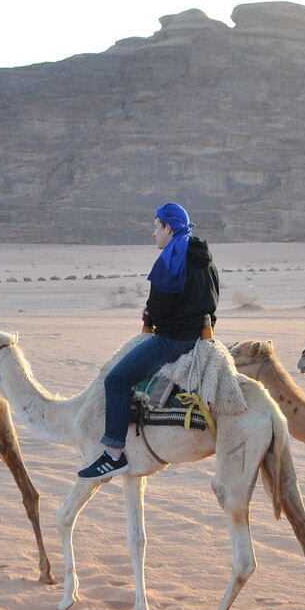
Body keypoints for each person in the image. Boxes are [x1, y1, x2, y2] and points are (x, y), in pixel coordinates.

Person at [78, 203, 220, 480]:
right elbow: (211, 301)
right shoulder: (204, 257)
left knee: (116, 380)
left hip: (172, 341)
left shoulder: (171, 260)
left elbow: (158, 309)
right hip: (199, 340)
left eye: (157, 226)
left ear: (169, 227)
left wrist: (151, 313)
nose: (153, 232)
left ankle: (114, 454)